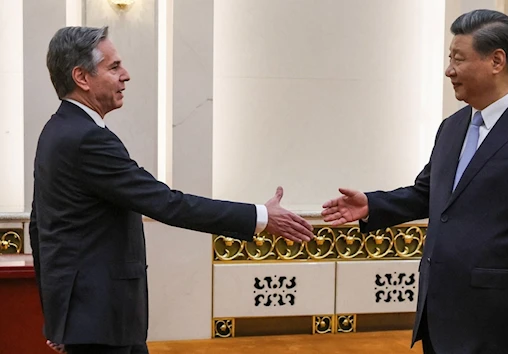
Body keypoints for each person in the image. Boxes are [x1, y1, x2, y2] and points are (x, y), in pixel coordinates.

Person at [31, 26, 314, 354]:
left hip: (92, 320)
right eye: (114, 67)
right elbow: (166, 203)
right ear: (81, 77)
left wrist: (58, 316)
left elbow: (41, 228)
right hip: (101, 321)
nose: (126, 75)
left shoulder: (56, 131)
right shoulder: (87, 139)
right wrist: (261, 217)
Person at [322, 9, 508, 354]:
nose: (449, 70)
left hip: (503, 322)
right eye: (450, 58)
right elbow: (428, 194)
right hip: (440, 313)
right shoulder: (453, 127)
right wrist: (373, 205)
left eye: (458, 59)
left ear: (496, 61)